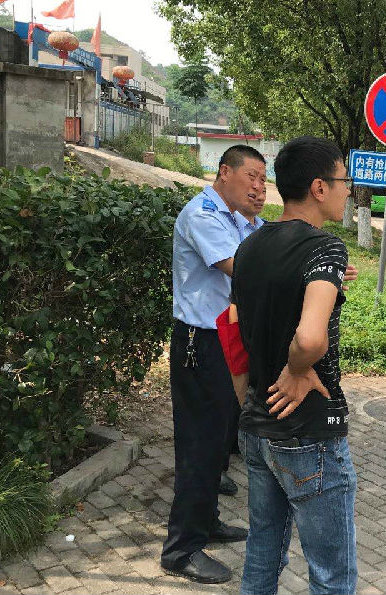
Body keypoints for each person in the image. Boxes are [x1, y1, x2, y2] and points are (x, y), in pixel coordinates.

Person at [230, 136, 358, 595]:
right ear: (319, 188)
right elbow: (309, 338)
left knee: (263, 551)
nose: (349, 190)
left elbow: (233, 328)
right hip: (308, 432)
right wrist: (296, 368)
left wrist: (249, 397)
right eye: (344, 180)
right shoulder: (326, 248)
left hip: (258, 425)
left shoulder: (249, 246)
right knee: (331, 573)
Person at [161, 145, 267, 584]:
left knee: (221, 440)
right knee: (199, 445)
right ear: (225, 172)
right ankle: (181, 549)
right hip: (200, 343)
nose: (259, 187)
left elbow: (269, 253)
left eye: (263, 179)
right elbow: (242, 268)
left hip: (228, 338)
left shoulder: (243, 220)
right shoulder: (202, 214)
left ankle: (207, 522)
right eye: (252, 177)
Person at [219, 184, 268, 498]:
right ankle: (219, 464)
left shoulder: (264, 229)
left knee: (246, 388)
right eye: (252, 191)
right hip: (230, 317)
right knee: (228, 393)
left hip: (254, 319)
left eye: (263, 190)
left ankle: (238, 443)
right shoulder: (228, 227)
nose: (259, 196)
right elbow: (238, 271)